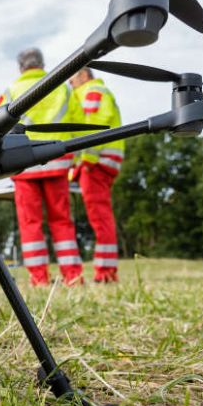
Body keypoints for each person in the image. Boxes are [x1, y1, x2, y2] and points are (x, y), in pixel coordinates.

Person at [0, 48, 84, 286]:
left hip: (23, 164)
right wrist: (76, 158)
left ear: (21, 67)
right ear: (42, 64)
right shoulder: (63, 87)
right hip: (56, 160)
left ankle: (39, 278)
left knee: (30, 223)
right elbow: (78, 122)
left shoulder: (10, 91)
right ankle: (73, 276)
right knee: (62, 220)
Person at [69, 68, 124, 283]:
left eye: (72, 80)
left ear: (84, 75)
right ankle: (106, 270)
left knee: (100, 218)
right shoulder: (98, 90)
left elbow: (91, 127)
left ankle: (106, 273)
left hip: (96, 162)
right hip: (102, 161)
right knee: (101, 217)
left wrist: (87, 161)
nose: (71, 85)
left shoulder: (92, 91)